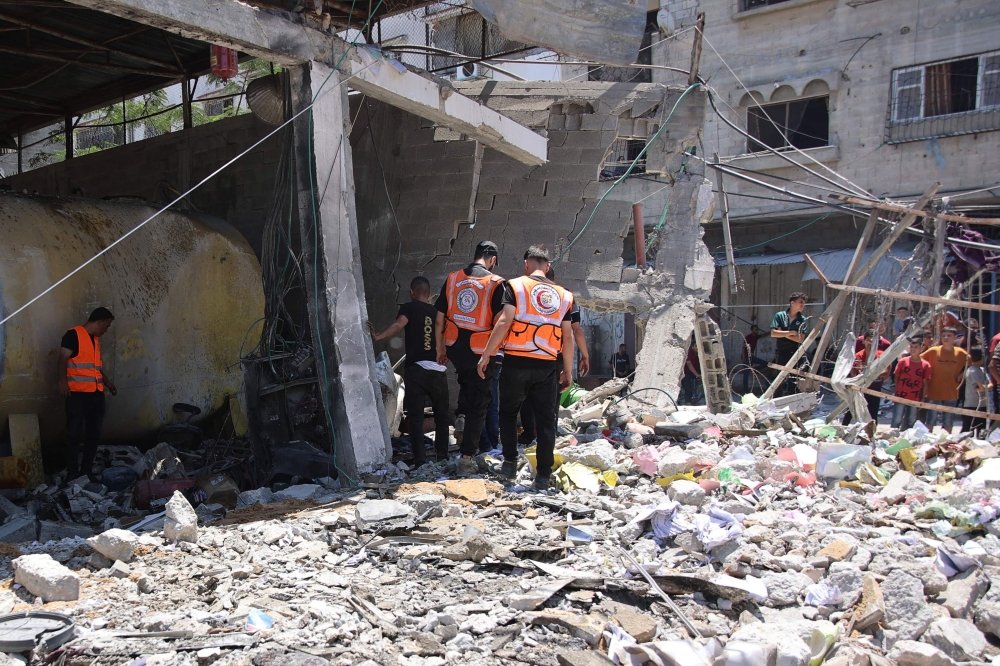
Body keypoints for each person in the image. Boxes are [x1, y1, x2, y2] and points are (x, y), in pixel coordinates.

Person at [477, 244, 574, 491]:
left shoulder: (516, 286)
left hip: (516, 362)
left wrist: (487, 354)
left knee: (508, 414)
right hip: (547, 365)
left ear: (526, 263)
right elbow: (569, 336)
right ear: (548, 266)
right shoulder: (564, 295)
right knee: (545, 421)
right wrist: (568, 370)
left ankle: (509, 463)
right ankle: (542, 476)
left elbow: (504, 320)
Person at [435, 241, 505, 477]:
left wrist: (440, 349)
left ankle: (461, 415)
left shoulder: (453, 278)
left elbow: (439, 319)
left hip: (455, 348)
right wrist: (488, 354)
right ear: (492, 259)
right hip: (480, 353)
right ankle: (466, 458)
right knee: (480, 403)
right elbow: (502, 321)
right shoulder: (496, 283)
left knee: (466, 384)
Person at [369, 277, 448, 468]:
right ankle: (443, 457)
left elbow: (398, 325)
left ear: (412, 292)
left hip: (417, 370)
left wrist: (378, 336)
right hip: (438, 371)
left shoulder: (409, 308)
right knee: (442, 416)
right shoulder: (438, 312)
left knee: (415, 416)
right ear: (429, 294)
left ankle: (420, 461)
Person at [519, 268, 589, 445]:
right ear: (554, 280)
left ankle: (528, 434)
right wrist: (584, 355)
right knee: (553, 395)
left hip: (529, 352)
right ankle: (549, 433)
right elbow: (576, 331)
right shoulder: (564, 298)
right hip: (554, 354)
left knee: (527, 395)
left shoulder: (527, 296)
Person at [58, 307, 117, 483]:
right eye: (106, 326)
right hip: (77, 395)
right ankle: (72, 473)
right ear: (98, 322)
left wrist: (107, 382)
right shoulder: (73, 335)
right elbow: (62, 359)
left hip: (96, 395)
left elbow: (94, 368)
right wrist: (63, 383)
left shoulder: (95, 339)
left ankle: (86, 472)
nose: (106, 331)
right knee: (73, 435)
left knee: (94, 435)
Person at [921, 327, 969, 433]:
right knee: (930, 420)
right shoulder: (933, 351)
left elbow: (970, 365)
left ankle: (946, 444)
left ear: (955, 337)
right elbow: (918, 360)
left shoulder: (961, 353)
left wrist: (962, 374)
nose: (946, 338)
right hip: (933, 391)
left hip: (951, 391)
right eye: (943, 336)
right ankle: (927, 443)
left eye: (949, 335)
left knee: (948, 421)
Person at [770, 292, 809, 397]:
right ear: (792, 303)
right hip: (782, 352)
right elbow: (773, 333)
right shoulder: (780, 316)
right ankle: (776, 401)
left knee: (794, 381)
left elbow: (800, 339)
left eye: (804, 303)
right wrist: (791, 333)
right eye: (800, 302)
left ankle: (793, 403)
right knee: (779, 380)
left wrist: (782, 333)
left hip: (796, 353)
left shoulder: (802, 320)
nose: (802, 305)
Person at [843, 337, 889, 425]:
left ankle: (872, 433)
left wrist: (869, 374)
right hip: (861, 387)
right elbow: (856, 373)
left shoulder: (881, 355)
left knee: (873, 412)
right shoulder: (859, 355)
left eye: (873, 341)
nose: (870, 343)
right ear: (864, 341)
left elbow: (885, 372)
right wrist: (868, 356)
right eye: (868, 341)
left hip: (875, 388)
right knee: (853, 409)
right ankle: (843, 427)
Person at [892, 337, 931, 431]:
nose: (913, 349)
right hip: (901, 395)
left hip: (915, 396)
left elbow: (925, 382)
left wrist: (923, 397)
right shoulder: (903, 361)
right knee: (897, 419)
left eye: (916, 347)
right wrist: (898, 390)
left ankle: (908, 437)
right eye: (911, 347)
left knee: (911, 420)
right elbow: (896, 376)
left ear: (921, 348)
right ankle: (893, 436)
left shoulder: (926, 365)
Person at [963, 347, 989, 435]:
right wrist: (983, 387)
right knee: (968, 430)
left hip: (982, 404)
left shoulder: (982, 370)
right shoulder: (972, 371)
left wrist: (983, 387)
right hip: (972, 405)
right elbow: (982, 388)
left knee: (981, 430)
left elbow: (989, 384)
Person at [740, 324, 766, 392]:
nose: (757, 331)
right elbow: (743, 347)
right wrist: (743, 357)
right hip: (746, 358)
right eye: (755, 329)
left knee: (765, 363)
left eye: (757, 330)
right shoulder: (748, 337)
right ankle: (746, 391)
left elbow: (763, 336)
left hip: (751, 357)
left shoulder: (756, 337)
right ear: (752, 330)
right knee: (746, 375)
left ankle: (753, 369)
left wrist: (770, 332)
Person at [681, 339, 700, 405]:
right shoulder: (689, 352)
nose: (697, 348)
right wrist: (697, 374)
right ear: (692, 347)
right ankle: (688, 403)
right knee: (688, 387)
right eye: (696, 346)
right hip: (686, 373)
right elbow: (689, 364)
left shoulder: (699, 353)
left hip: (694, 371)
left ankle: (697, 398)